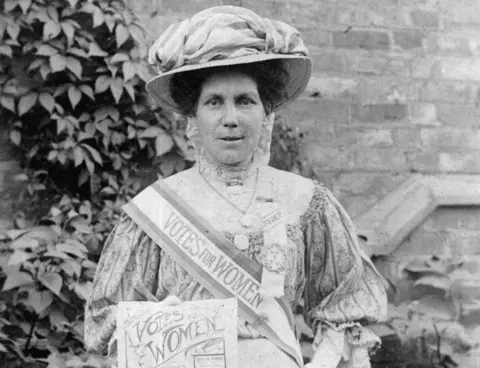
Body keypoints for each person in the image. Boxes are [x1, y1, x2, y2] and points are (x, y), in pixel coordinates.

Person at [84, 5, 388, 368]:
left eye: (245, 101)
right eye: (214, 102)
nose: (231, 119)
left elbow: (344, 310)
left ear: (266, 113)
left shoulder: (307, 202)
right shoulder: (155, 209)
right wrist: (153, 322)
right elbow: (105, 321)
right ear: (193, 118)